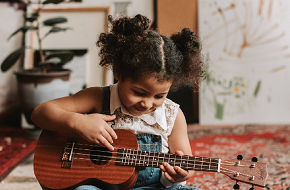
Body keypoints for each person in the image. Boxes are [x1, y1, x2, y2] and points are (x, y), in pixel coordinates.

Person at [31, 14, 206, 190]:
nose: (146, 103)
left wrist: (183, 173)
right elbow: (40, 112)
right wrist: (78, 122)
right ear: (118, 72)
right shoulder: (98, 98)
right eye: (139, 92)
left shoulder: (172, 116)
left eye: (159, 96)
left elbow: (186, 163)